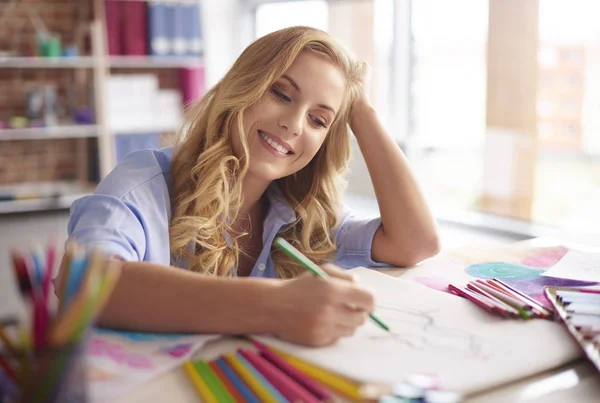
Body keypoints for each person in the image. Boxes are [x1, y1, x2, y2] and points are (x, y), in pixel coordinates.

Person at [57, 26, 440, 347]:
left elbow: (416, 243)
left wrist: (362, 110)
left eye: (319, 120)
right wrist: (276, 306)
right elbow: (83, 283)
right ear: (243, 86)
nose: (294, 123)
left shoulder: (302, 211)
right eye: (281, 94)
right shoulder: (142, 183)